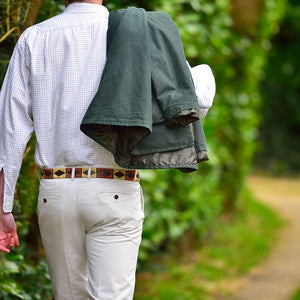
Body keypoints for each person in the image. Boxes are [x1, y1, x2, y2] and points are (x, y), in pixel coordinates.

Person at [0, 0, 216, 299]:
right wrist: (205, 72)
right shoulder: (135, 31)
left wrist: (3, 206)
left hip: (56, 192)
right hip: (115, 187)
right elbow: (197, 101)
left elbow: (10, 128)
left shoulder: (35, 37)